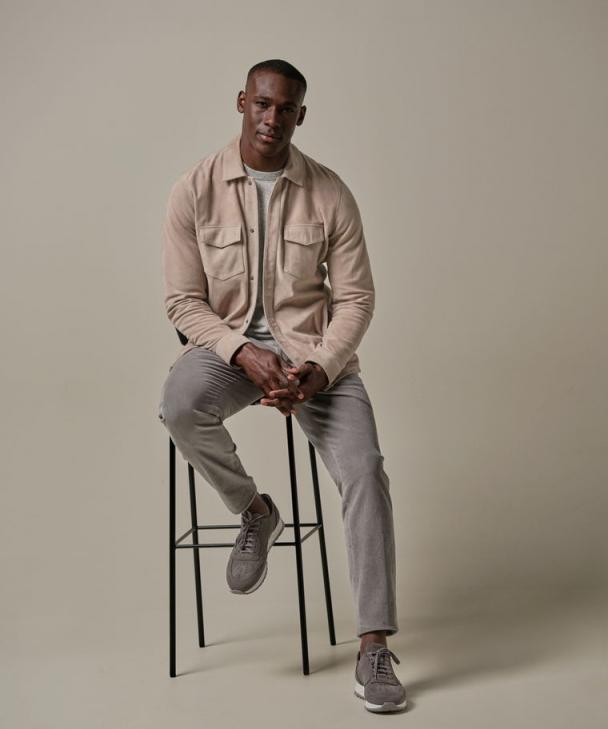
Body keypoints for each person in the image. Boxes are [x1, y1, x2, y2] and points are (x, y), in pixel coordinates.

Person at [157, 58, 407, 713]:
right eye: (262, 104)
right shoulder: (194, 189)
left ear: (301, 115)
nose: (272, 119)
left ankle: (373, 644)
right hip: (227, 349)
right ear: (242, 102)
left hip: (315, 359)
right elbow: (183, 302)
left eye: (286, 108)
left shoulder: (330, 192)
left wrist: (320, 367)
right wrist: (242, 351)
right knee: (179, 404)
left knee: (365, 469)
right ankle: (255, 511)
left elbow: (356, 298)